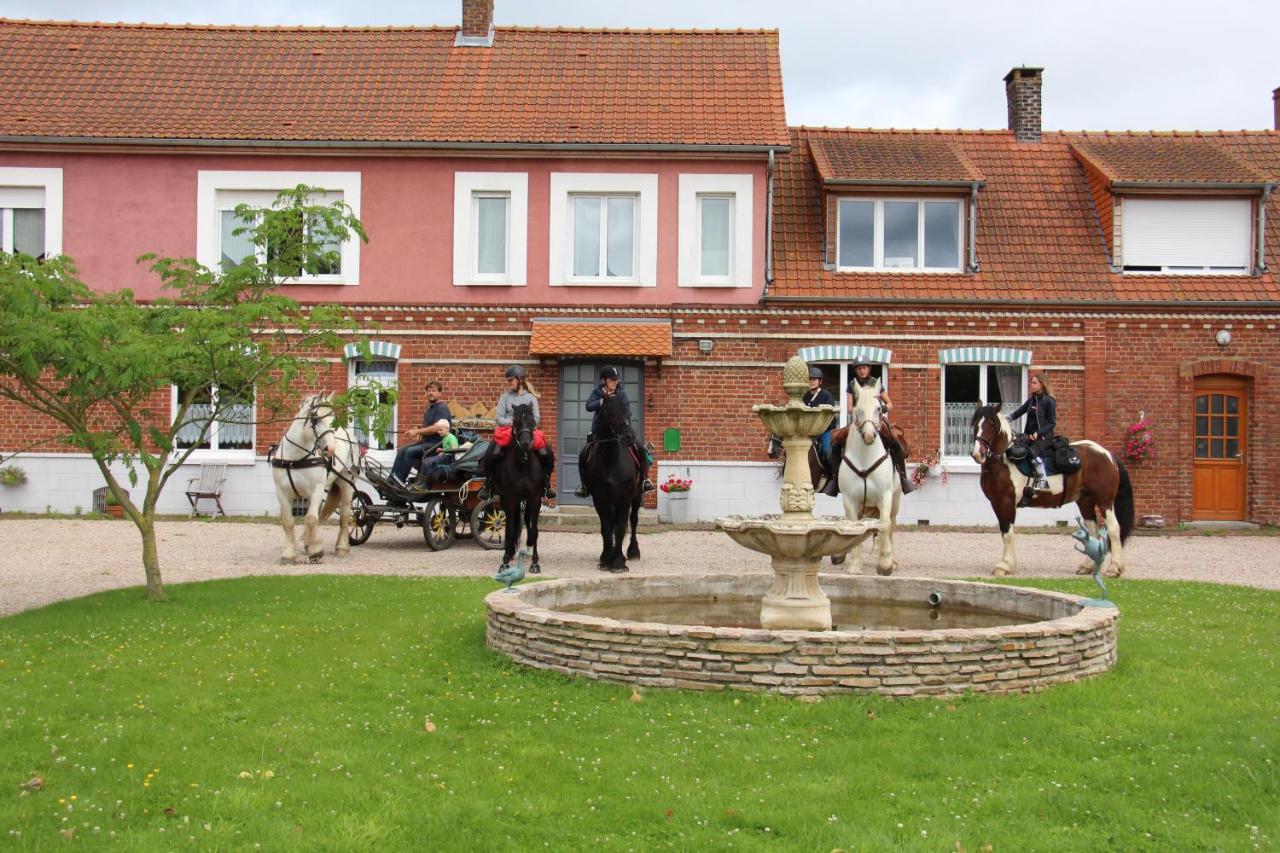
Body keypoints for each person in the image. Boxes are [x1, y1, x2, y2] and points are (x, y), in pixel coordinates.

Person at [821, 361, 916, 496]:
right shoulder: (852, 385)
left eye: (864, 368)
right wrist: (860, 413)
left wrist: (883, 408)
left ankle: (902, 478)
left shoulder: (875, 384)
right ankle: (835, 481)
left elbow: (890, 404)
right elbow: (849, 408)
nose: (862, 370)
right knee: (836, 444)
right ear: (856, 370)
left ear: (868, 369)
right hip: (858, 422)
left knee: (895, 442)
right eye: (859, 368)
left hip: (877, 421)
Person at [573, 366, 655, 498]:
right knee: (583, 454)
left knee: (639, 447)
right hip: (599, 432)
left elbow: (627, 409)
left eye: (616, 380)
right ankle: (584, 485)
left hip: (620, 430)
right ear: (604, 380)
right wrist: (601, 401)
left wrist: (624, 419)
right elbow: (588, 406)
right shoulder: (598, 392)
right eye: (612, 380)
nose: (615, 382)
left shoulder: (621, 393)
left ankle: (645, 479)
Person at [479, 365, 556, 500]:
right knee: (492, 451)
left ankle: (546, 484)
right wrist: (513, 423)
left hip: (527, 430)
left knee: (547, 452)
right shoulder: (505, 397)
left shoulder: (531, 398)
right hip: (508, 430)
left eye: (511, 380)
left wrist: (525, 424)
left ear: (520, 380)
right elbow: (499, 418)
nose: (509, 383)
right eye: (508, 381)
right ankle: (488, 485)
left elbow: (536, 418)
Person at [390, 380, 453, 487]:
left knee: (409, 451)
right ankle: (392, 479)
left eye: (433, 391)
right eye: (429, 391)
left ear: (439, 393)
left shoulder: (442, 407)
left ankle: (399, 482)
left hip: (436, 445)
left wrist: (417, 431)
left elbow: (437, 428)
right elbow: (429, 426)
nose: (431, 393)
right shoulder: (429, 408)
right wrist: (418, 428)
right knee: (402, 450)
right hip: (426, 443)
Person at [1009, 373, 1057, 494]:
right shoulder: (1032, 400)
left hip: (1044, 438)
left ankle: (1043, 481)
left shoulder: (1049, 401)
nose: (1032, 385)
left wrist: (1038, 433)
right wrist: (1005, 418)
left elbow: (1052, 423)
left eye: (1034, 382)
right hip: (1029, 436)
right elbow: (1019, 412)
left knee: (1032, 452)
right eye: (1031, 382)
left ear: (1042, 384)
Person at [804, 366, 836, 489]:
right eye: (810, 379)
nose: (812, 381)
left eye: (814, 379)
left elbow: (827, 414)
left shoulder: (826, 395)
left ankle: (830, 474)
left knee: (826, 451)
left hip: (824, 429)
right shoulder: (805, 396)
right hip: (809, 430)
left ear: (820, 381)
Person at [415, 419, 461, 485]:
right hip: (445, 455)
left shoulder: (451, 438)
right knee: (426, 460)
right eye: (438, 430)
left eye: (441, 430)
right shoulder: (445, 437)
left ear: (447, 429)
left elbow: (454, 449)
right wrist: (442, 451)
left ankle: (426, 483)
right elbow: (447, 447)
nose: (439, 432)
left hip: (449, 457)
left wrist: (442, 450)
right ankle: (422, 480)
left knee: (428, 462)